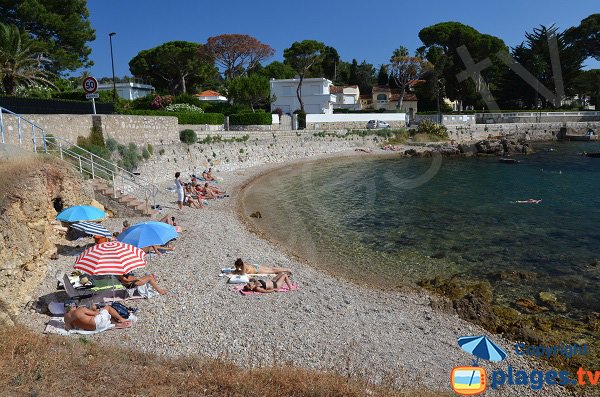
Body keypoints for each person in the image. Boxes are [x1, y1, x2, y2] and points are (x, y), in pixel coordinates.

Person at [63, 301, 130, 331]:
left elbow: (70, 327)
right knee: (108, 307)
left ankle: (114, 323)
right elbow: (96, 314)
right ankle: (121, 319)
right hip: (98, 324)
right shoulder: (80, 310)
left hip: (91, 329)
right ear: (73, 306)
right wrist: (94, 309)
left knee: (104, 314)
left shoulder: (66, 318)